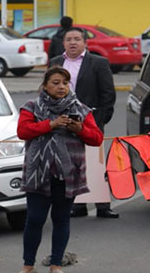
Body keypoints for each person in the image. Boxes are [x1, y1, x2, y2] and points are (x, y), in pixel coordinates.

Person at [11, 67, 103, 273]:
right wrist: (50, 124)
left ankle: (56, 265)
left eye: (65, 82)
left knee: (61, 219)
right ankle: (28, 267)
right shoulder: (32, 107)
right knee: (34, 219)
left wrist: (79, 128)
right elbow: (23, 131)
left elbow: (96, 138)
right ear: (45, 86)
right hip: (38, 174)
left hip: (68, 173)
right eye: (55, 82)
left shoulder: (80, 109)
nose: (61, 87)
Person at [48, 27, 119, 218]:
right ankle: (78, 205)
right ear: (63, 43)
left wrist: (99, 120)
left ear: (85, 42)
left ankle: (103, 206)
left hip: (91, 122)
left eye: (77, 39)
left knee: (95, 163)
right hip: (63, 122)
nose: (73, 42)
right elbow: (48, 91)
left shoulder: (98, 62)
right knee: (71, 163)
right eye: (69, 39)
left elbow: (108, 94)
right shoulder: (56, 62)